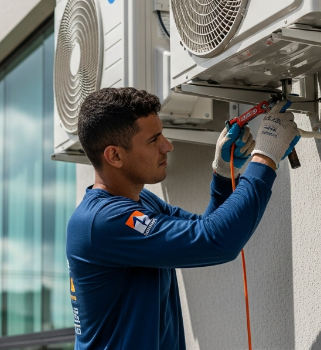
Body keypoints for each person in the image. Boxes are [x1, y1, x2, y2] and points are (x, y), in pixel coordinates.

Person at [66, 87, 300, 350]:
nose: (168, 146)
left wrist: (224, 174)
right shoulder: (100, 222)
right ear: (115, 156)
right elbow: (217, 241)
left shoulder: (141, 203)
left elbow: (203, 231)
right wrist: (265, 156)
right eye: (153, 140)